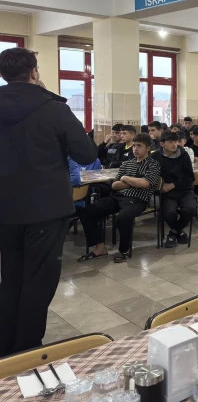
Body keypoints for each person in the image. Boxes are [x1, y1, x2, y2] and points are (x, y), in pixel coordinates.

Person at [0, 47, 98, 357]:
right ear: (33, 72)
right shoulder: (54, 108)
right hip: (46, 209)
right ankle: (27, 351)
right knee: (39, 280)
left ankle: (5, 347)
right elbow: (86, 154)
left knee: (11, 275)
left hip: (4, 209)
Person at [78, 133, 160, 263]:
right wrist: (134, 182)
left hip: (138, 200)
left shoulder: (153, 165)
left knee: (123, 217)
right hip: (118, 197)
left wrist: (125, 178)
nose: (135, 149)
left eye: (139, 146)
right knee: (87, 212)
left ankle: (124, 250)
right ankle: (100, 248)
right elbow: (115, 185)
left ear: (148, 148)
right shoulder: (127, 164)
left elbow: (145, 183)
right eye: (134, 146)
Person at [151, 131, 197, 248]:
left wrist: (173, 184)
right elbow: (152, 175)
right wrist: (160, 187)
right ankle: (179, 232)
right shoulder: (155, 156)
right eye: (170, 142)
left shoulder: (183, 154)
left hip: (185, 190)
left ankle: (173, 232)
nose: (174, 144)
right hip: (167, 193)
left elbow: (189, 176)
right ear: (162, 144)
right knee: (169, 212)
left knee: (190, 209)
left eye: (176, 141)